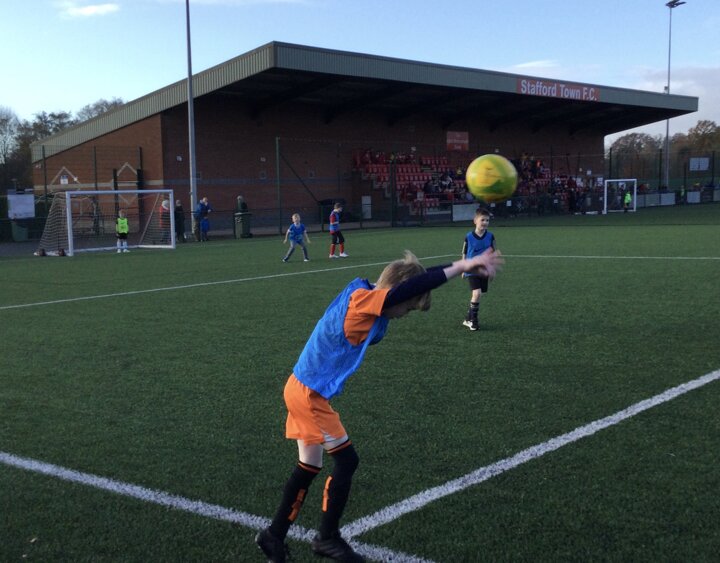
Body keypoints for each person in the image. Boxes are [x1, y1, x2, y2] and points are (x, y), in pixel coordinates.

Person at [255, 248, 504, 562]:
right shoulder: (364, 300)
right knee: (347, 461)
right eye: (408, 308)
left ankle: (273, 536)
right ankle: (326, 538)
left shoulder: (366, 295)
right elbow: (408, 289)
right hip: (308, 393)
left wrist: (459, 266)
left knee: (309, 466)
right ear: (398, 292)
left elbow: (415, 283)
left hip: (302, 387)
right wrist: (464, 264)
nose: (403, 314)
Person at [461, 207, 496, 331]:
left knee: (479, 295)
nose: (485, 222)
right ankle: (473, 322)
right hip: (471, 269)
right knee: (477, 293)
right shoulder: (469, 236)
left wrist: (492, 268)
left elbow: (493, 253)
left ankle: (468, 318)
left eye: (487, 220)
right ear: (475, 221)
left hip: (484, 269)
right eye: (482, 220)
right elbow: (464, 253)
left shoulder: (490, 236)